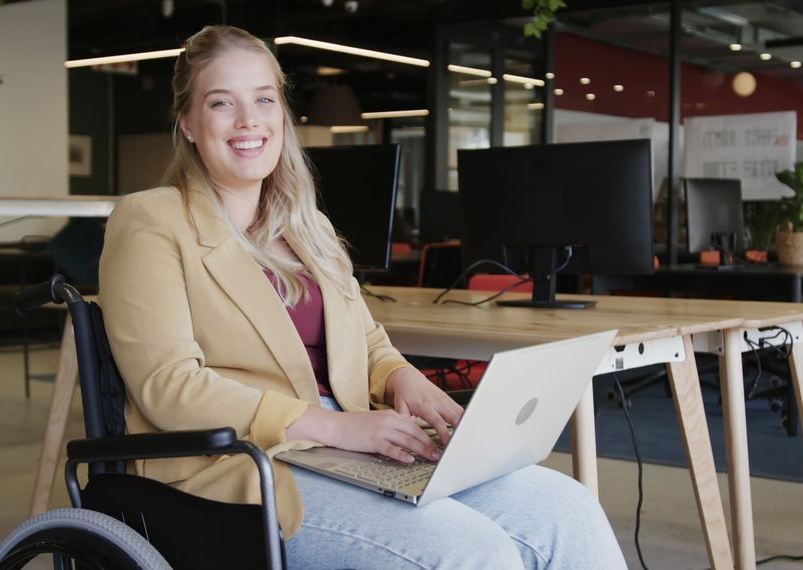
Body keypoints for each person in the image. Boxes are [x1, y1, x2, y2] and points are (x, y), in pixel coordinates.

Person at [99, 24, 626, 569]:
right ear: (186, 122)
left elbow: (367, 339)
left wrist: (403, 379)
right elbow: (169, 386)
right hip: (242, 465)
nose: (248, 119)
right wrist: (333, 426)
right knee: (471, 549)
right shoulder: (152, 220)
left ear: (282, 112)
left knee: (566, 508)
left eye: (263, 98)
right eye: (221, 103)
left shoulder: (310, 228)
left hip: (352, 443)